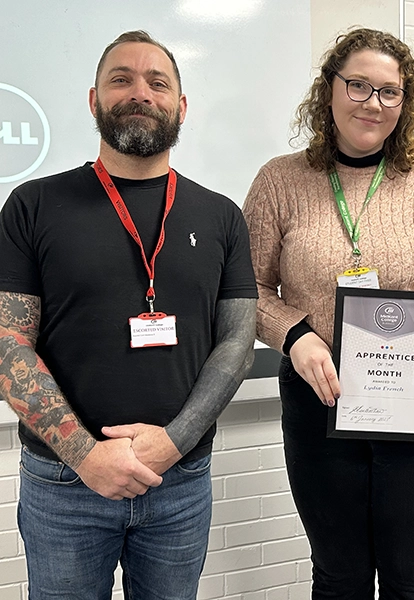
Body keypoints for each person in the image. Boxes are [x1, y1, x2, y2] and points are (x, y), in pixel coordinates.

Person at [0, 30, 257, 599]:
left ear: (180, 107)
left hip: (180, 481)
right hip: (65, 483)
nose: (139, 92)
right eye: (121, 79)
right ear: (93, 99)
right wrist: (86, 456)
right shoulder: (32, 206)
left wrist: (173, 442)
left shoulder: (221, 216)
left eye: (157, 82)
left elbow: (237, 343)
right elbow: (7, 346)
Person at [243, 28, 414, 600]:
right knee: (339, 573)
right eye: (358, 85)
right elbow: (248, 289)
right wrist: (294, 336)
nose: (372, 103)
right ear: (328, 90)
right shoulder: (280, 180)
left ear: (404, 104)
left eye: (390, 92)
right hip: (320, 398)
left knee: (413, 574)